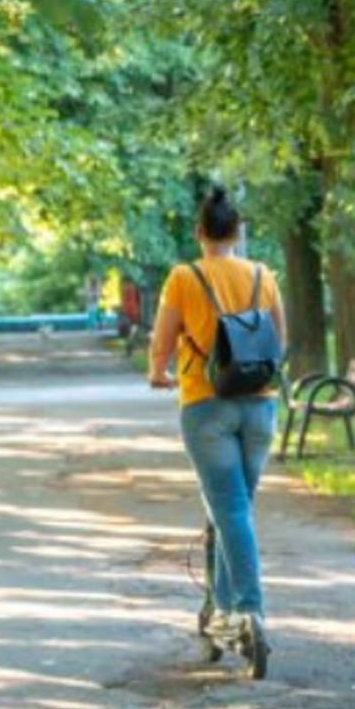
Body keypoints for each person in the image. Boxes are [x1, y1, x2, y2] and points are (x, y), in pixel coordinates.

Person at [148, 187, 287, 639]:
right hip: (260, 405)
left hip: (206, 405)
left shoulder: (184, 277)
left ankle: (249, 608)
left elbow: (163, 340)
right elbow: (280, 340)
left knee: (229, 507)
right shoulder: (263, 275)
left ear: (199, 232)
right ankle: (222, 608)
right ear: (238, 233)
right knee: (236, 508)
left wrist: (158, 373)